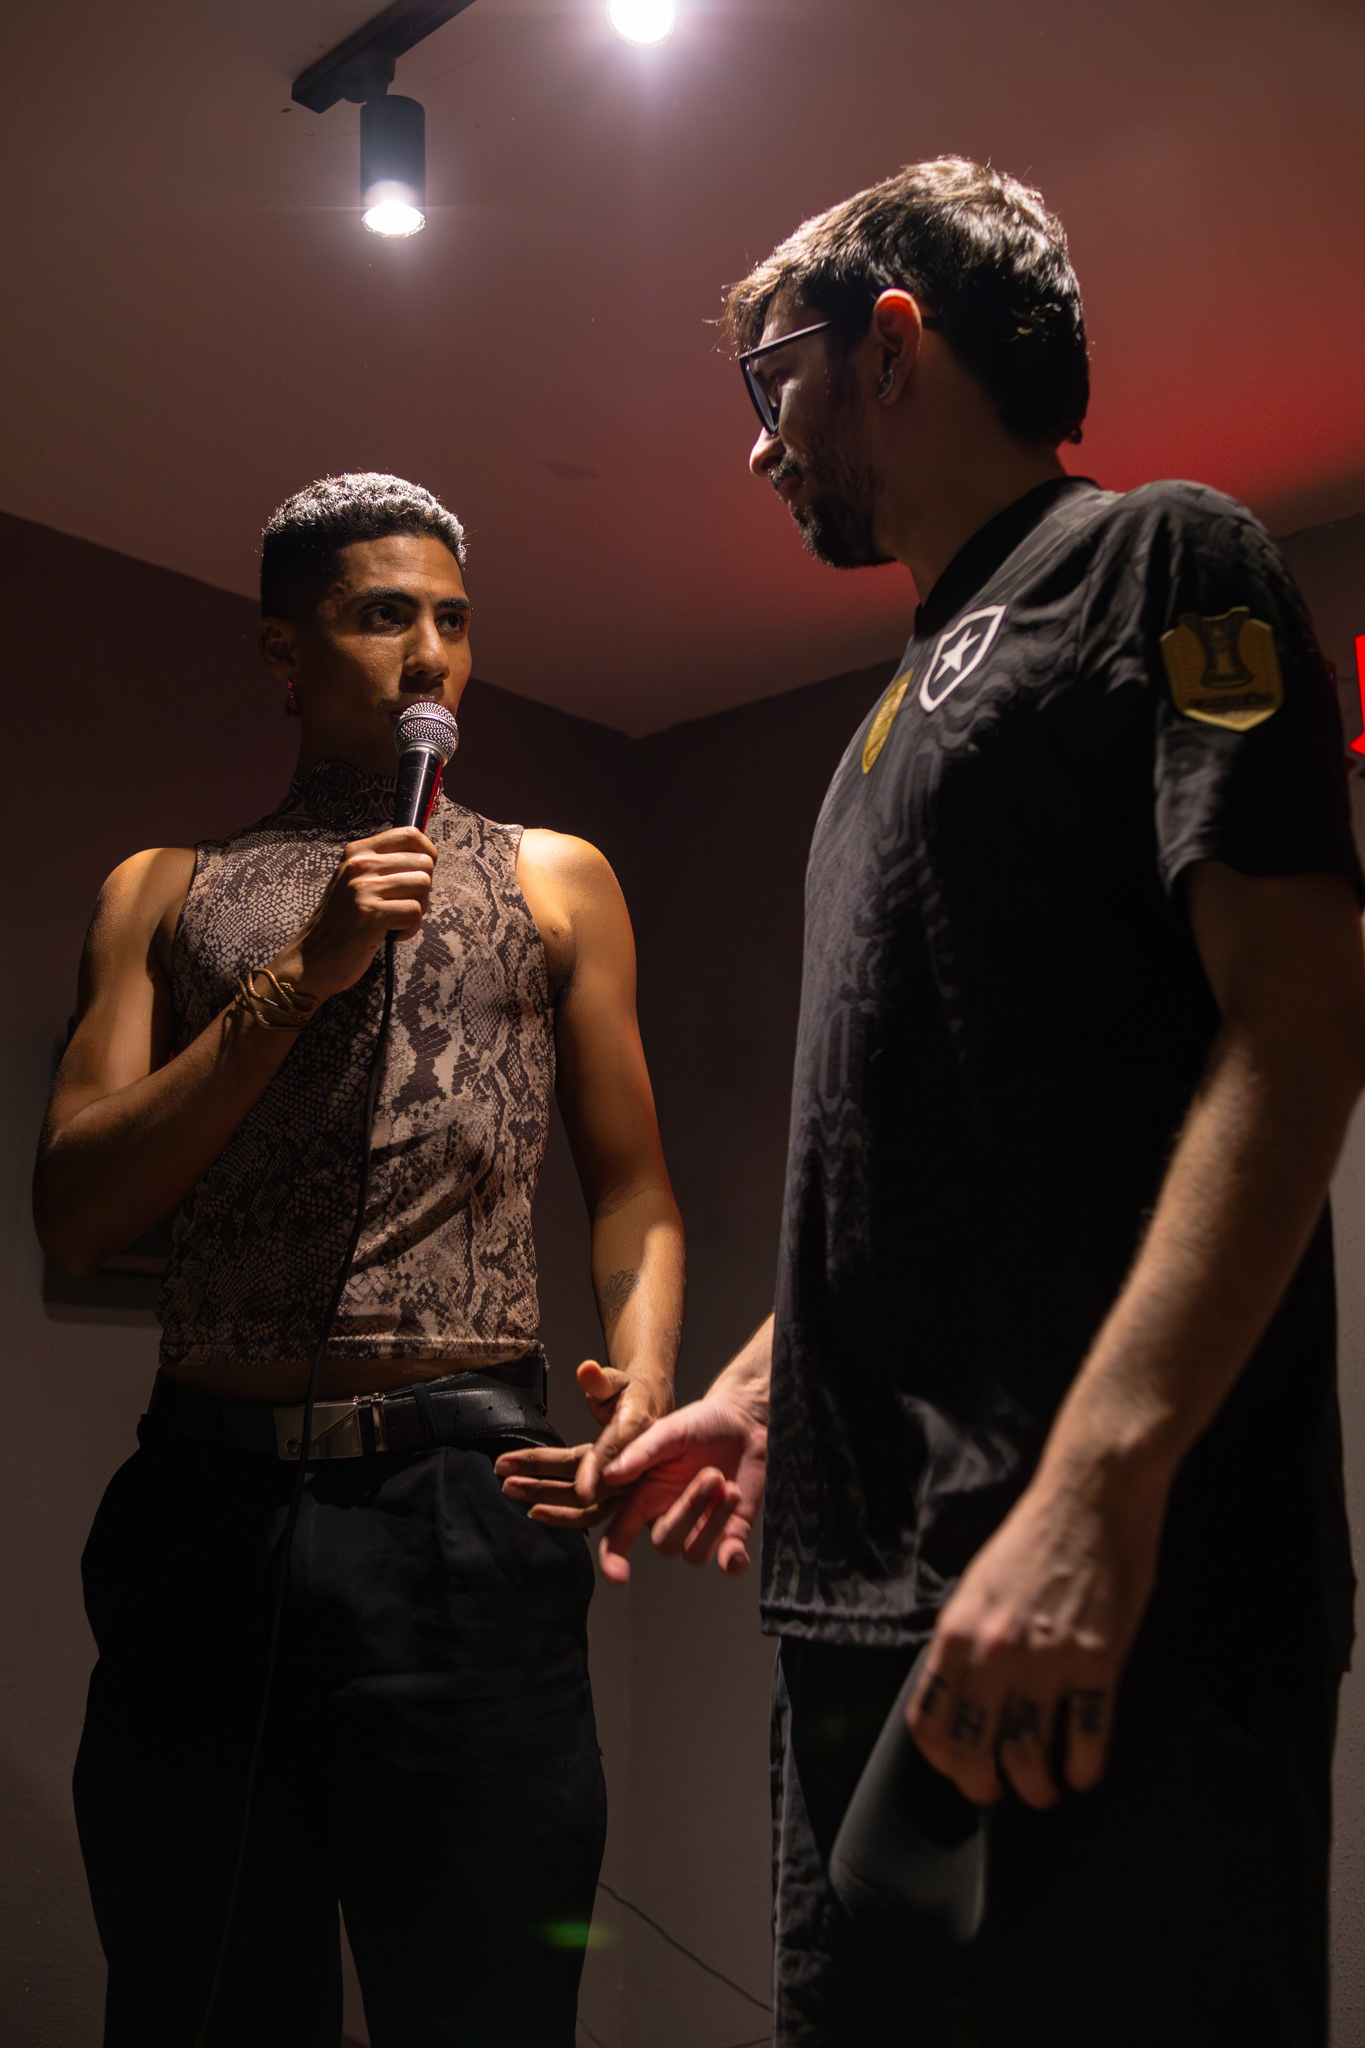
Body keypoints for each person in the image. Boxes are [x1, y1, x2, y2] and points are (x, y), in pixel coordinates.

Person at [498, 160, 1365, 2045]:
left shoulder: (1160, 560)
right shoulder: (893, 714)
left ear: (891, 344)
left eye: (771, 379)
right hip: (863, 1615)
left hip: (1102, 1611)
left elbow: (1300, 1021)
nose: (757, 445)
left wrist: (1094, 1497)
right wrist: (754, 1396)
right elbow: (932, 1138)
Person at [34, 472, 684, 2048]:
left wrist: (646, 1382)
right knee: (195, 2000)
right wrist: (294, 982)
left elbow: (636, 1194)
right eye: (384, 614)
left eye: (453, 618)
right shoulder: (161, 890)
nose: (431, 654)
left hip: (457, 1509)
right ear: (284, 650)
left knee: (483, 2004)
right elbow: (76, 1210)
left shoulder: (555, 876)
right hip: (204, 1516)